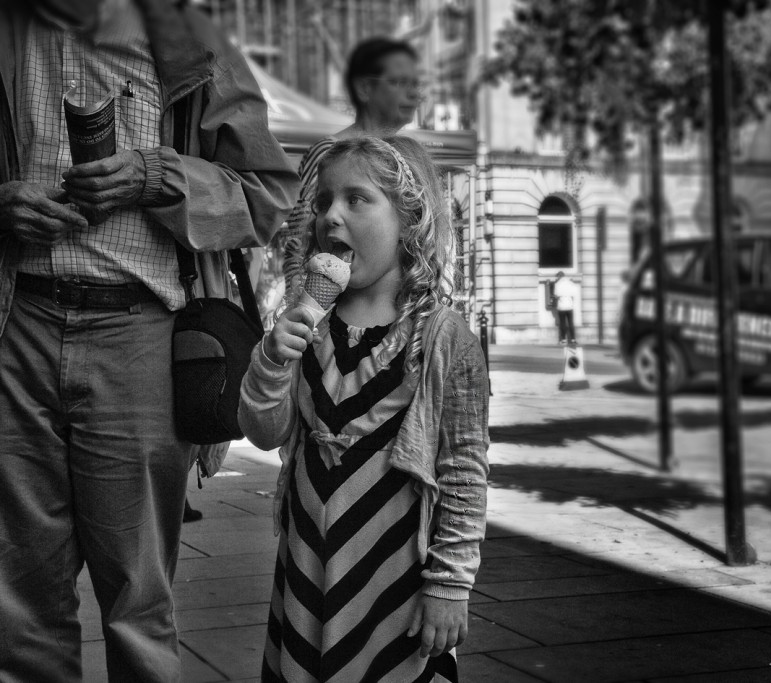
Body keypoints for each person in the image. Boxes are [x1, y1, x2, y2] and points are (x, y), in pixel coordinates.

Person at [0, 1, 298, 680]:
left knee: (138, 602)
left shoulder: (186, 37)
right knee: (18, 609)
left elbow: (270, 197)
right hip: (16, 325)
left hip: (139, 330)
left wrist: (156, 176)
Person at [239, 135, 489, 683]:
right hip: (307, 571)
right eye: (325, 199)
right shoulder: (306, 323)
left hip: (394, 582)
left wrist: (450, 585)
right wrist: (272, 361)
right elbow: (262, 432)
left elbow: (465, 472)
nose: (332, 215)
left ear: (411, 220)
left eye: (357, 199)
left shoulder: (442, 338)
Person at [277, 36, 421, 299]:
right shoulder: (330, 153)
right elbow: (297, 242)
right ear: (365, 88)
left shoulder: (405, 155)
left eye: (415, 84)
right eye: (399, 82)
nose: (414, 94)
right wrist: (303, 309)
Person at [552, 270, 578, 344]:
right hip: (570, 306)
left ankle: (563, 340)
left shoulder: (557, 284)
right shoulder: (571, 283)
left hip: (561, 307)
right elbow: (574, 294)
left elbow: (556, 295)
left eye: (557, 277)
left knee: (563, 323)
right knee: (571, 323)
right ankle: (573, 339)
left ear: (559, 276)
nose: (556, 278)